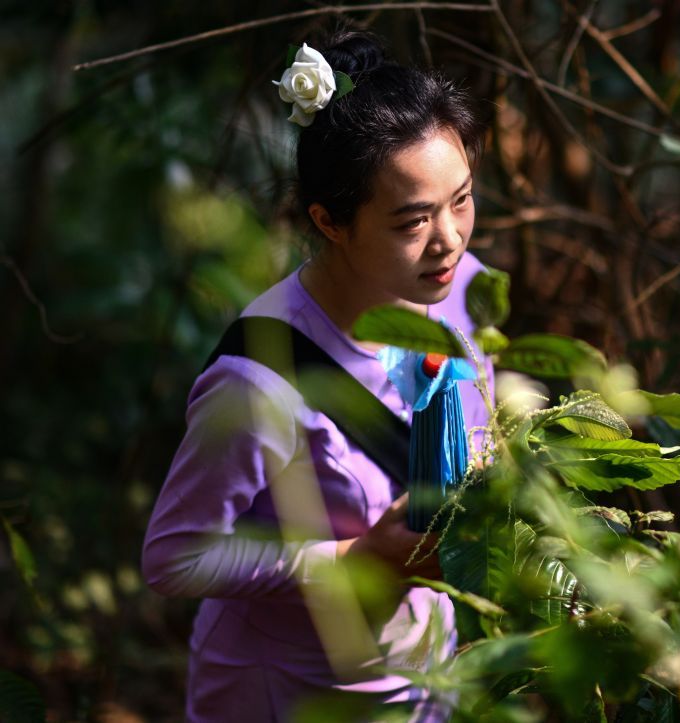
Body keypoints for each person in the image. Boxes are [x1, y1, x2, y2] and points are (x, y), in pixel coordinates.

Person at [141, 29, 494, 722]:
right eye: (412, 221)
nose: (450, 238)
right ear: (330, 221)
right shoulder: (255, 381)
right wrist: (354, 556)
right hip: (289, 693)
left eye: (462, 199)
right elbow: (174, 557)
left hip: (427, 677)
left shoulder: (461, 290)